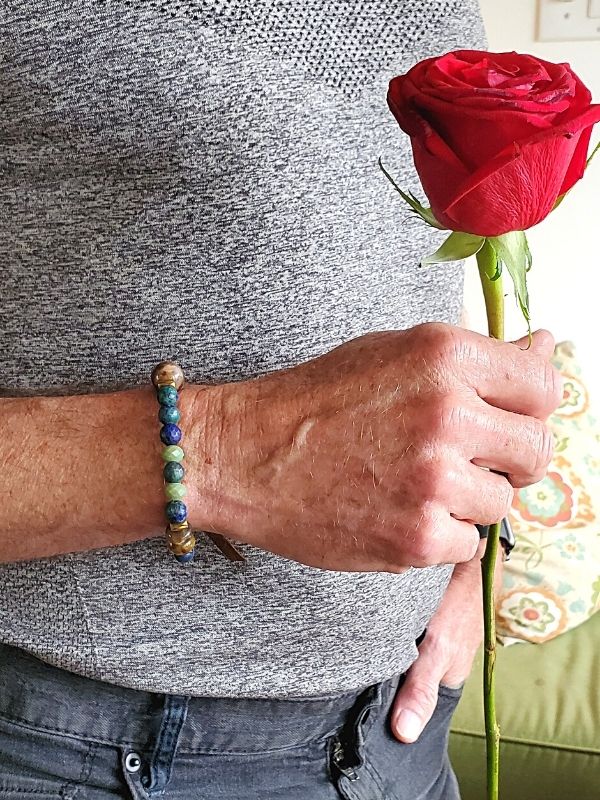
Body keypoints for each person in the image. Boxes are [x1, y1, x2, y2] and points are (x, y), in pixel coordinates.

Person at [0, 2, 561, 798]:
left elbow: (401, 275)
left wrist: (474, 563)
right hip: (67, 747)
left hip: (398, 736)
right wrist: (228, 454)